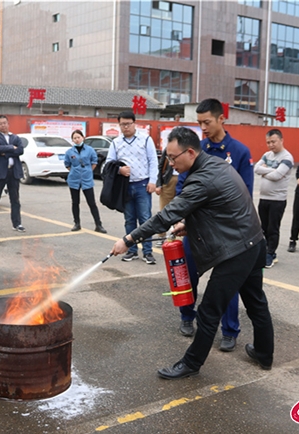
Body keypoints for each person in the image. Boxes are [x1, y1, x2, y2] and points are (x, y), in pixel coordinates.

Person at [110, 126, 274, 379]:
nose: (170, 163)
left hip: (238, 251)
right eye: (167, 157)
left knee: (209, 310)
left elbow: (165, 216)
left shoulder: (202, 178)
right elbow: (222, 208)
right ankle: (264, 353)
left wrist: (129, 239)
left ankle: (191, 363)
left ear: (190, 152)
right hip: (253, 241)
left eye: (173, 158)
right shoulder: (216, 165)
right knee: (256, 302)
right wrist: (189, 224)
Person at [175, 98, 253, 353]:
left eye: (206, 122)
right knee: (187, 274)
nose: (203, 128)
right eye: (199, 123)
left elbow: (246, 193)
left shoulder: (239, 152)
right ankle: (187, 316)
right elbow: (182, 187)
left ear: (222, 119)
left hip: (225, 234)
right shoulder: (196, 149)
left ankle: (230, 330)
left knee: (226, 283)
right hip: (195, 230)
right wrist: (183, 218)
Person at [106, 110, 158, 264]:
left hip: (143, 185)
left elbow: (153, 161)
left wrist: (153, 181)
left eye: (128, 124)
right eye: (122, 124)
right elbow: (108, 164)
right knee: (129, 220)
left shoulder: (146, 140)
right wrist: (119, 170)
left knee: (145, 220)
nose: (125, 127)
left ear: (134, 123)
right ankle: (132, 250)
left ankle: (148, 252)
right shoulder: (116, 143)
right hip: (126, 187)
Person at [254, 129, 294, 267]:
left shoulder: (287, 157)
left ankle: (271, 254)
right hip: (264, 198)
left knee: (273, 228)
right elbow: (256, 168)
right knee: (263, 227)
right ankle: (265, 251)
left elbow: (278, 176)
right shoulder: (267, 155)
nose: (271, 145)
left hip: (277, 199)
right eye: (268, 142)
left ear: (281, 140)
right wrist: (272, 171)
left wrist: (265, 171)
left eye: (273, 141)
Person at [0, 115, 25, 234]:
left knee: (15, 199)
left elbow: (20, 150)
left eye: (5, 123)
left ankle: (17, 223)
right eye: (0, 123)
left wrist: (6, 151)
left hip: (13, 172)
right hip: (0, 172)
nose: (3, 125)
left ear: (8, 124)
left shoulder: (16, 137)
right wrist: (12, 148)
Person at [64, 130, 106, 233]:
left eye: (78, 137)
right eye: (74, 138)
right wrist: (75, 171)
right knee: (75, 202)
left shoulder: (90, 150)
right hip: (74, 180)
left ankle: (98, 225)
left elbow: (94, 162)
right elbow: (67, 164)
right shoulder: (69, 152)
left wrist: (87, 171)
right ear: (72, 140)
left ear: (83, 137)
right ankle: (77, 223)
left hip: (87, 180)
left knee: (91, 203)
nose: (77, 140)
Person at [153, 149, 178, 246]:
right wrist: (159, 184)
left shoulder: (189, 147)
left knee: (183, 210)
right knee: (164, 210)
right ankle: (161, 236)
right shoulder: (168, 148)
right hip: (169, 180)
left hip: (185, 180)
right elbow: (160, 166)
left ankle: (178, 237)